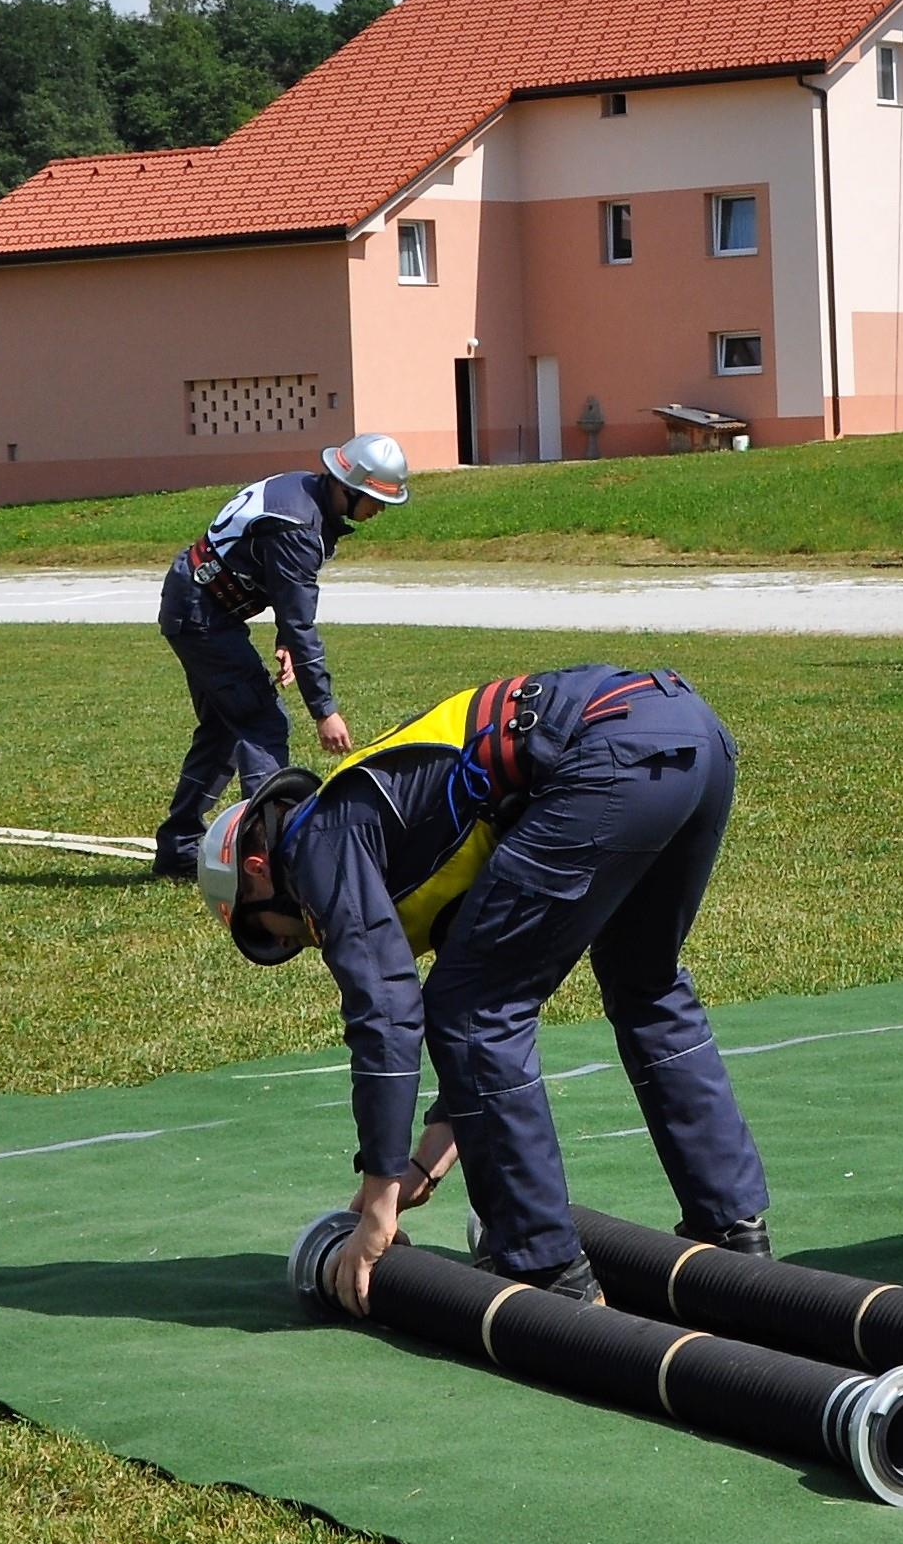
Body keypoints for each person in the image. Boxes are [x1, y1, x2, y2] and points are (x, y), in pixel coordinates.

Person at [200, 664, 771, 1314]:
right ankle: (732, 1237)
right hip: (692, 737)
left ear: (258, 869)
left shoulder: (318, 841)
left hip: (611, 750)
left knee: (473, 1010)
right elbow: (487, 976)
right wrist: (425, 1162)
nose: (310, 937)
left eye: (278, 932)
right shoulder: (402, 836)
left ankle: (547, 1271)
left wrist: (378, 1204)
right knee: (644, 983)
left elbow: (389, 1014)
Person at [154, 433, 409, 878]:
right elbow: (300, 620)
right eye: (375, 499)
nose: (380, 510)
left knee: (222, 731)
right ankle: (265, 856)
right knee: (263, 723)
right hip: (202, 614)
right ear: (346, 487)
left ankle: (180, 848)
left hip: (199, 603)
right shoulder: (298, 526)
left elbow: (278, 586)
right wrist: (324, 710)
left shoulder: (302, 493)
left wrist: (285, 640)